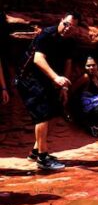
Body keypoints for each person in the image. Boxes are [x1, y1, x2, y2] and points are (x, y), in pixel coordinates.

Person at [14, 12, 81, 171]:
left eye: (71, 27)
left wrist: (64, 86)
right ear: (61, 20)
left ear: (76, 29)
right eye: (66, 24)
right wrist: (56, 78)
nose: (67, 28)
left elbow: (68, 64)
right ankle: (43, 159)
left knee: (54, 112)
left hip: (46, 80)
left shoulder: (69, 42)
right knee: (42, 115)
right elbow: (38, 59)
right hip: (28, 79)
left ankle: (35, 152)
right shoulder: (46, 35)